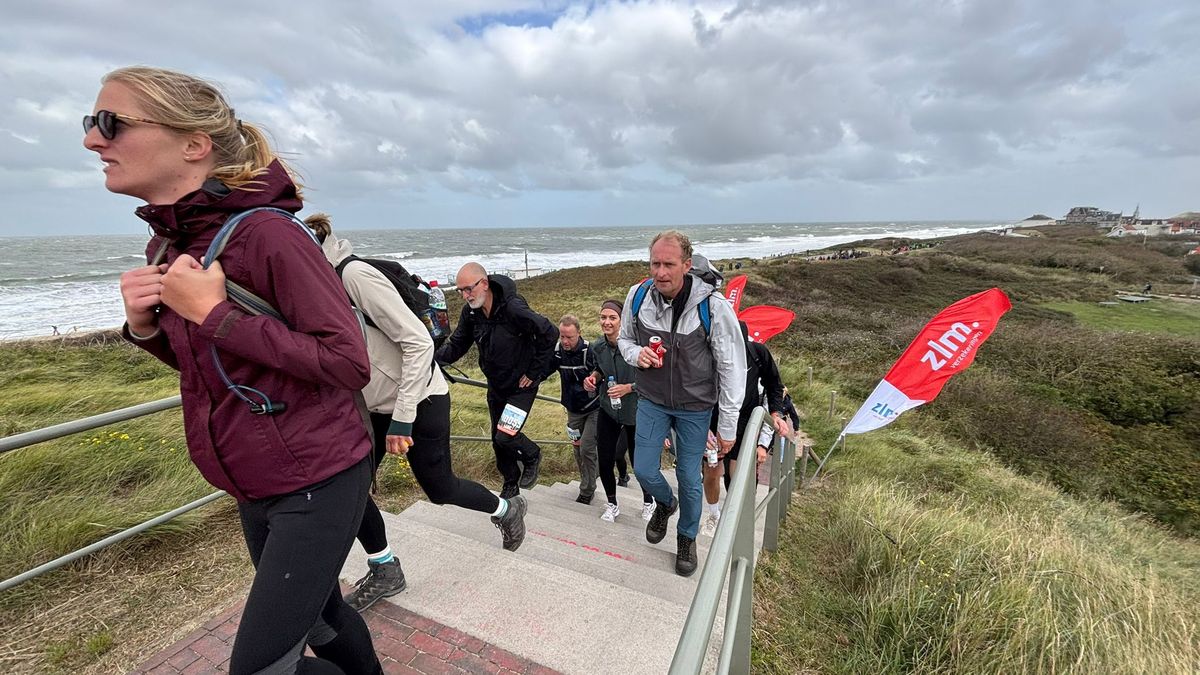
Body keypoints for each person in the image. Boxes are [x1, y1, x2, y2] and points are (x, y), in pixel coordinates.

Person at [99, 66, 380, 674]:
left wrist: (216, 314)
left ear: (193, 144)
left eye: (110, 123)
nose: (93, 141)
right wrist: (146, 329)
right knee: (325, 621)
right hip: (254, 478)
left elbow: (347, 363)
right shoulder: (169, 248)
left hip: (321, 474)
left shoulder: (270, 236)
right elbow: (213, 372)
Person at [305, 215, 528, 613]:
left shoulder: (354, 276)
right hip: (372, 404)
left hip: (420, 399)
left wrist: (402, 419)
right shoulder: (315, 286)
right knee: (347, 489)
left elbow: (419, 343)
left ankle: (506, 509)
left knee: (440, 489)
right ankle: (385, 566)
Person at [618, 230, 746, 577]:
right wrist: (636, 354)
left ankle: (687, 537)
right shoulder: (639, 295)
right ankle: (665, 503)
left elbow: (733, 368)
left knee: (690, 478)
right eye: (655, 263)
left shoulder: (713, 307)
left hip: (695, 407)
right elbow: (625, 339)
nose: (660, 272)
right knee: (643, 468)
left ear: (686, 266)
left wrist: (728, 425)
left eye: (669, 264)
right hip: (652, 400)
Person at [435, 263, 558, 498]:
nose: (465, 295)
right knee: (497, 440)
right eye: (459, 290)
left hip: (521, 387)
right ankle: (510, 482)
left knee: (506, 435)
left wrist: (534, 373)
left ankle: (532, 454)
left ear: (484, 284)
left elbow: (549, 333)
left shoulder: (514, 308)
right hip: (496, 385)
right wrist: (429, 360)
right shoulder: (470, 313)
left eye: (468, 289)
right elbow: (458, 345)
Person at [701, 322, 790, 536]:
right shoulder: (708, 353)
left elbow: (774, 385)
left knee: (739, 475)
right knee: (711, 472)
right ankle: (714, 514)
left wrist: (776, 414)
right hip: (714, 421)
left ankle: (736, 521)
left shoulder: (757, 353)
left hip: (745, 421)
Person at [584, 300, 655, 523]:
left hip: (636, 410)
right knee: (604, 458)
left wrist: (629, 388)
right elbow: (600, 370)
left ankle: (648, 501)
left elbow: (652, 378)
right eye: (603, 317)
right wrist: (594, 378)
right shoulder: (597, 347)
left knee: (638, 461)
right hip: (608, 408)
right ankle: (612, 504)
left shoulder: (636, 346)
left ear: (622, 320)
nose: (607, 322)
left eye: (612, 318)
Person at [550, 314, 601, 504]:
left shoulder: (591, 351)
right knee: (578, 450)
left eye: (569, 337)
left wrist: (594, 378)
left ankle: (587, 491)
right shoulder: (556, 352)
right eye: (562, 336)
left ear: (579, 333)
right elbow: (543, 370)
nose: (564, 341)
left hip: (594, 408)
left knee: (587, 448)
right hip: (573, 411)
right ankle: (589, 477)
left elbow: (602, 370)